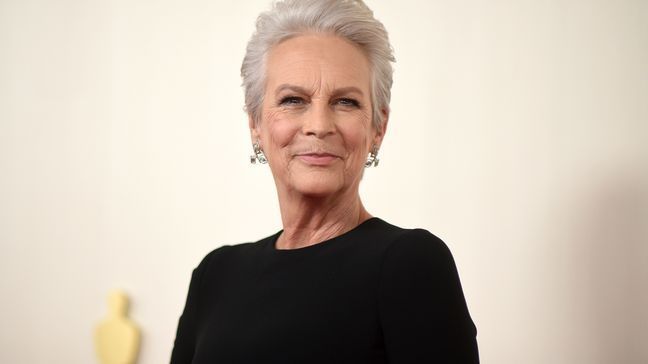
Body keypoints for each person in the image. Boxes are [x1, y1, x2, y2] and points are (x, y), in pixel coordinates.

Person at [171, 0, 479, 363]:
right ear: (255, 123)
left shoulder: (410, 263)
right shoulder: (215, 274)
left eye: (346, 102)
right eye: (293, 99)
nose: (319, 124)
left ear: (378, 127)